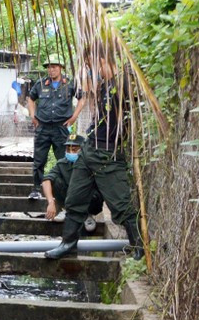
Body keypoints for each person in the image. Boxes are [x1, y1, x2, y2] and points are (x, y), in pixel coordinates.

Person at [46, 51, 142, 260]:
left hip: (108, 153)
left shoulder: (123, 83)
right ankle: (68, 244)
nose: (91, 71)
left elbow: (133, 112)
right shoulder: (105, 85)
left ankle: (139, 247)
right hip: (89, 150)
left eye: (91, 65)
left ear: (102, 59)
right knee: (74, 198)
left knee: (120, 203)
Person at [27, 54, 85, 200]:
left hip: (61, 128)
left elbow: (82, 99)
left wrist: (74, 117)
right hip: (43, 128)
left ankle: (65, 190)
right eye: (49, 67)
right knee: (39, 160)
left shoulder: (70, 84)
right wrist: (33, 116)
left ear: (60, 68)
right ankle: (36, 189)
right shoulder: (41, 84)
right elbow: (31, 99)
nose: (51, 70)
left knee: (64, 159)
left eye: (54, 67)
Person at [41, 133, 102, 233]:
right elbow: (46, 180)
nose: (70, 152)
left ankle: (86, 215)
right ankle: (66, 211)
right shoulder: (62, 163)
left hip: (89, 200)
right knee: (55, 181)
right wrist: (51, 202)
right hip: (70, 200)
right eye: (68, 149)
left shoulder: (92, 163)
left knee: (91, 190)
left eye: (74, 149)